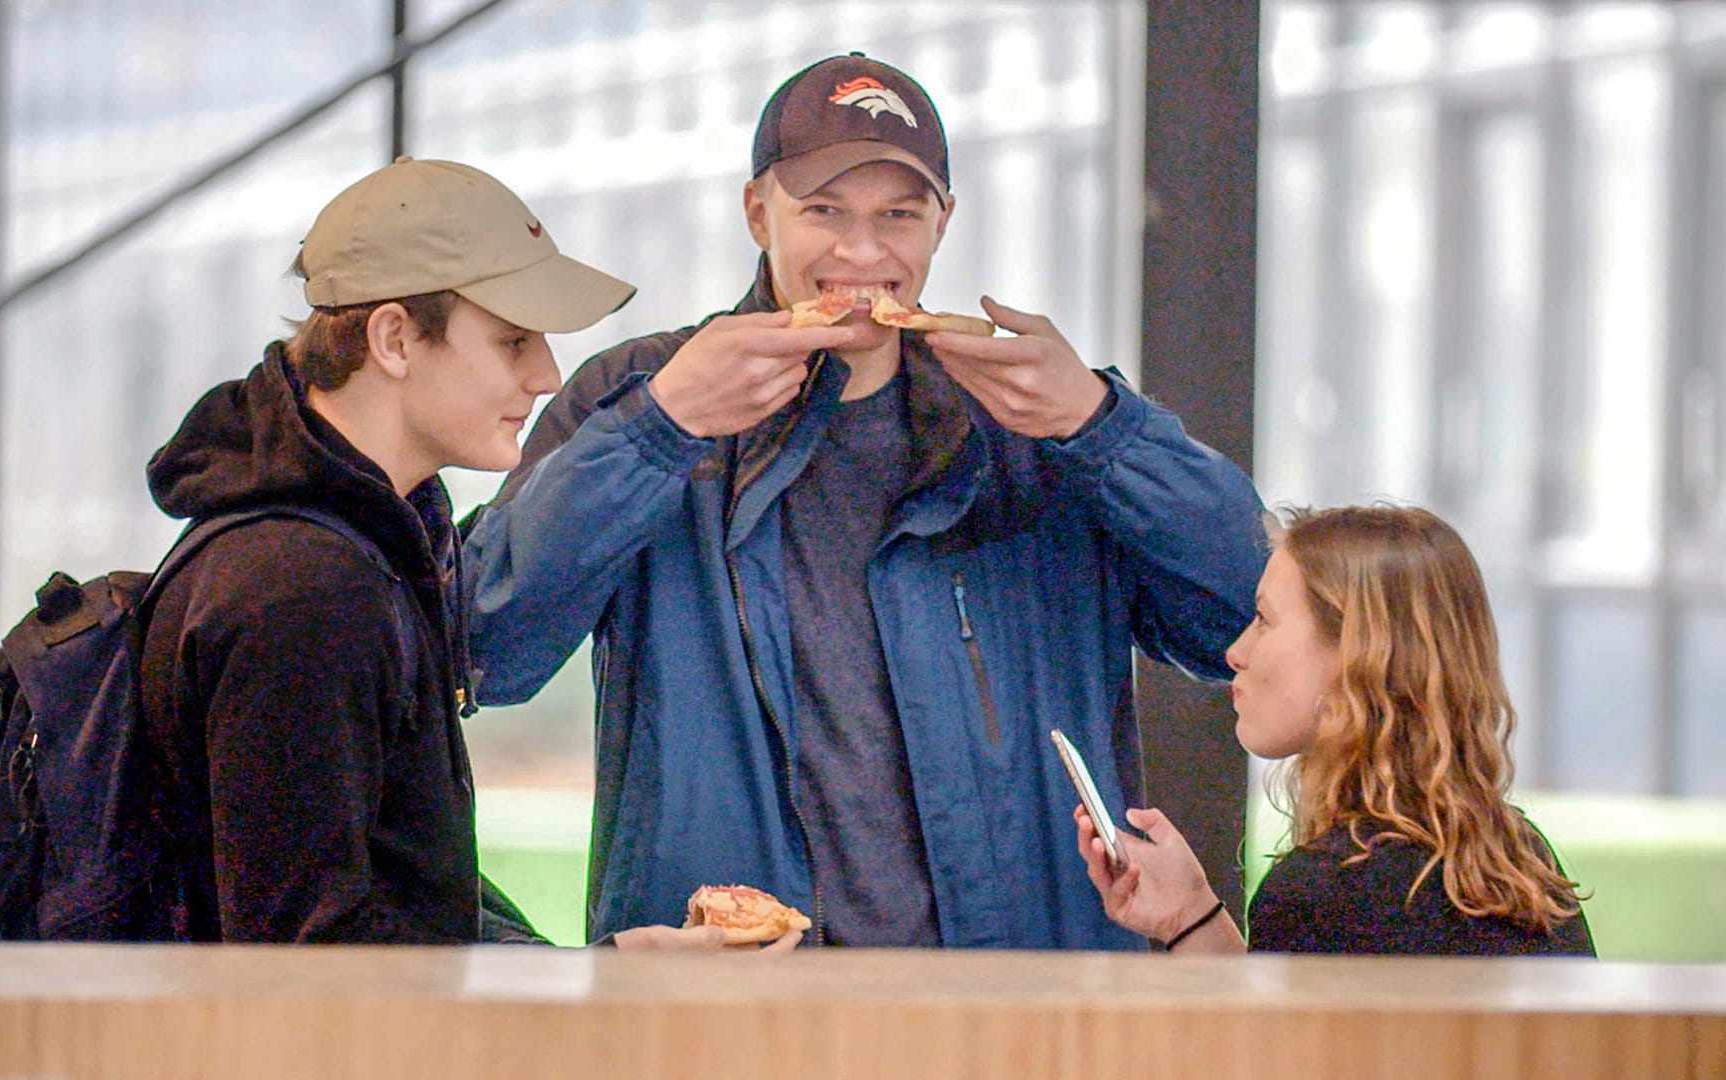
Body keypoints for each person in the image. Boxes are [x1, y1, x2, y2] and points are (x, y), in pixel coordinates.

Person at [461, 54, 1266, 948]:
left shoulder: (1035, 422)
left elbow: (1245, 624)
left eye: (899, 215)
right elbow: (488, 646)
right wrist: (661, 429)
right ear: (757, 212)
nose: (862, 252)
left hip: (1017, 998)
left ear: (943, 222)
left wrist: (1106, 431)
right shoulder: (644, 395)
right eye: (824, 211)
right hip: (731, 989)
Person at [139, 157, 787, 951]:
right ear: (394, 339)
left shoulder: (369, 545)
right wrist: (593, 978)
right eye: (512, 340)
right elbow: (318, 970)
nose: (547, 374)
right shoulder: (302, 590)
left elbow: (403, 896)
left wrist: (601, 970)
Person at [1075, 505, 1595, 956]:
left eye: (1263, 620)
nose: (1235, 652)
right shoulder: (1519, 859)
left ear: (1355, 656)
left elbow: (1263, 1038)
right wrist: (1190, 915)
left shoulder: (1326, 891)